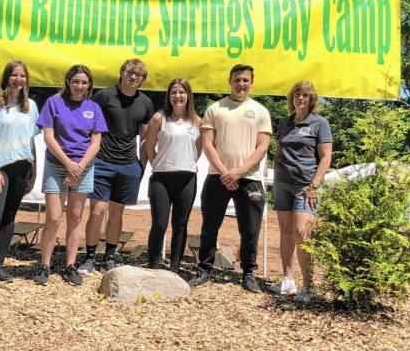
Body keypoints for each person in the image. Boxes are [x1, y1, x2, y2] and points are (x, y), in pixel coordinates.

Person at [188, 64, 272, 292]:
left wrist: (239, 171)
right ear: (230, 81)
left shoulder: (261, 111)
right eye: (237, 80)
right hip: (218, 177)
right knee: (210, 226)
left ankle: (248, 273)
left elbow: (263, 147)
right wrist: (225, 172)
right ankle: (204, 268)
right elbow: (207, 143)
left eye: (245, 80)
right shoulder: (215, 108)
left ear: (251, 83)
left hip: (249, 178)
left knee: (250, 229)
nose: (241, 84)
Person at [77, 58, 154, 275]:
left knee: (117, 213)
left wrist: (141, 166)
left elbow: (145, 139)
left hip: (129, 165)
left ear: (142, 79)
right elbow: (89, 127)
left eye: (138, 75)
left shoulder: (145, 103)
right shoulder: (104, 96)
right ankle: (90, 256)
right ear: (121, 73)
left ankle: (110, 256)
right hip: (102, 162)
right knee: (97, 211)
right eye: (130, 72)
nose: (133, 77)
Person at [33, 65, 107, 286]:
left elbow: (96, 143)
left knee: (75, 217)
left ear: (89, 85)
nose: (80, 86)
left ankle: (70, 265)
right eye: (76, 81)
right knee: (54, 217)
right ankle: (44, 265)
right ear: (68, 82)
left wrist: (79, 167)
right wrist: (68, 164)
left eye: (84, 82)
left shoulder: (93, 107)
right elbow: (48, 137)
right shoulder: (53, 103)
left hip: (83, 168)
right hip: (57, 165)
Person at [0, 60, 40, 290]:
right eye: (14, 75)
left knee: (10, 216)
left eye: (23, 75)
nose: (19, 79)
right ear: (6, 77)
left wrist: (34, 171)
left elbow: (31, 140)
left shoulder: (30, 106)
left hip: (22, 167)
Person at [269, 80, 332, 303]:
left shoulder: (319, 123)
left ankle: (309, 286)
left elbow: (326, 158)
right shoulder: (285, 122)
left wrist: (314, 184)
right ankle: (287, 281)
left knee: (302, 233)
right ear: (292, 98)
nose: (300, 99)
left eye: (305, 95)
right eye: (297, 95)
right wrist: (277, 168)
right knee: (286, 232)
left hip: (306, 188)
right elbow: (278, 150)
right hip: (282, 184)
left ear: (311, 99)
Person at [145, 79, 202, 273]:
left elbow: (198, 150)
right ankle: (153, 265)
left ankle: (174, 268)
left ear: (188, 95)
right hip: (161, 178)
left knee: (180, 224)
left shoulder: (197, 121)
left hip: (187, 178)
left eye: (182, 92)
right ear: (169, 96)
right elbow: (148, 147)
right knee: (159, 223)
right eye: (174, 92)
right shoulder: (159, 118)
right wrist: (159, 164)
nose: (178, 96)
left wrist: (186, 163)